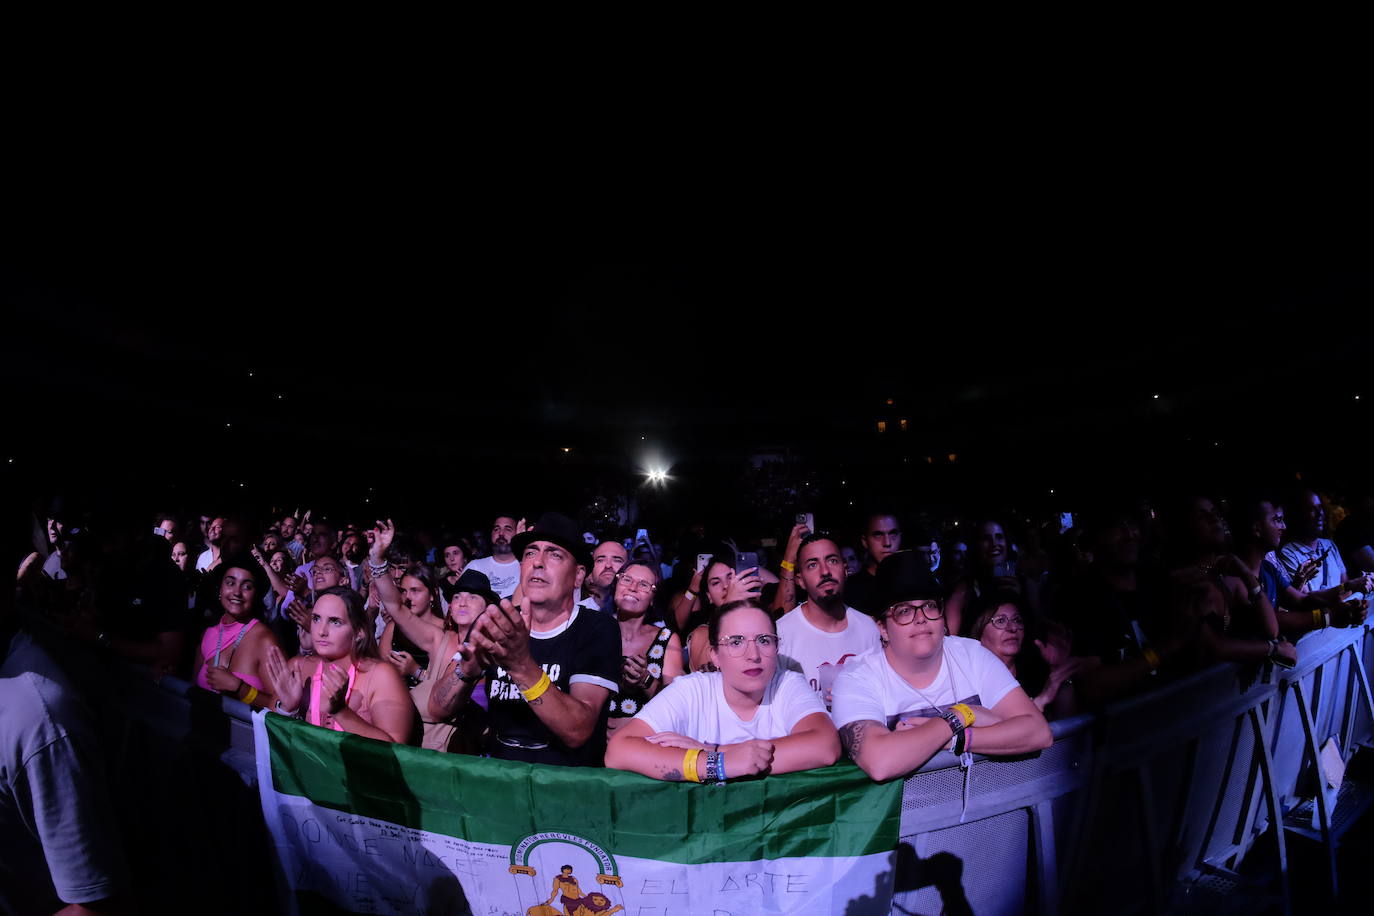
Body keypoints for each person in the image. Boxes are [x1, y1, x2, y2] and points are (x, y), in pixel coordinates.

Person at [832, 553, 1052, 782]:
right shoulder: (857, 678)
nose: (921, 618)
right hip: (911, 815)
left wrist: (956, 737)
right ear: (883, 629)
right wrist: (963, 714)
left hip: (990, 808)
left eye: (929, 605)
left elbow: (1037, 732)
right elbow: (880, 761)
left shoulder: (971, 655)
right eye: (904, 611)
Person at [429, 512, 621, 766]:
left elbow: (578, 730)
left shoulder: (597, 628)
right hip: (502, 779)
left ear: (577, 576)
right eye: (530, 553)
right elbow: (437, 709)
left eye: (554, 554)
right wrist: (466, 671)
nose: (537, 562)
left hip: (566, 787)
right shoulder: (496, 621)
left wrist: (520, 665)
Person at [605, 599, 840, 781]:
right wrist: (717, 763)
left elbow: (825, 745)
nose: (754, 655)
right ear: (715, 655)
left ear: (777, 647)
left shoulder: (788, 684)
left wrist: (717, 750)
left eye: (764, 640)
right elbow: (619, 750)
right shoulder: (692, 691)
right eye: (736, 642)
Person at [265, 586, 413, 743]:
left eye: (335, 622)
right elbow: (270, 744)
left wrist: (341, 712)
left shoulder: (381, 675)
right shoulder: (298, 667)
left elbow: (396, 751)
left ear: (359, 632)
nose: (321, 631)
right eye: (316, 618)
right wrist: (287, 709)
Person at [775, 534, 881, 708]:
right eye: (812, 565)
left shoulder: (868, 629)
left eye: (832, 561)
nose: (825, 571)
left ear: (845, 569)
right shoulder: (782, 634)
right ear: (800, 580)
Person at [969, 590, 1097, 717]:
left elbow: (1067, 720)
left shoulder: (1034, 673)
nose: (1013, 628)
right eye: (1000, 621)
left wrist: (1060, 670)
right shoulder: (972, 685)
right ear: (978, 631)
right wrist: (1041, 700)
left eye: (1017, 620)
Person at [604, 559, 683, 736]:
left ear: (653, 598)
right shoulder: (594, 629)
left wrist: (645, 679)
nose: (633, 588)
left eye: (644, 584)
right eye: (626, 579)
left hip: (642, 740)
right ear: (616, 585)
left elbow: (677, 704)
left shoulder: (666, 639)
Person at [192, 555, 281, 710]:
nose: (237, 592)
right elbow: (192, 689)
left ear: (256, 595)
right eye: (230, 583)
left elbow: (284, 707)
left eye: (247, 587)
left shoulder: (264, 639)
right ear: (220, 589)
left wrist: (241, 689)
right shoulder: (208, 633)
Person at [844, 511, 903, 615]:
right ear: (865, 541)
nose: (887, 543)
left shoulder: (912, 581)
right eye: (878, 535)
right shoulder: (851, 589)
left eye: (892, 534)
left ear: (900, 537)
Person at [463, 515, 523, 598]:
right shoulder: (474, 567)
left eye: (508, 529)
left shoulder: (526, 566)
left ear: (517, 533)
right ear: (491, 534)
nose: (501, 533)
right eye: (496, 529)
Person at [584, 539, 629, 610]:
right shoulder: (575, 613)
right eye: (600, 560)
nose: (608, 565)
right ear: (590, 573)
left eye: (617, 561)